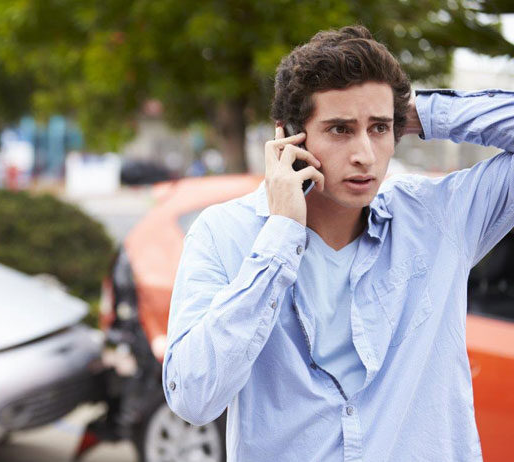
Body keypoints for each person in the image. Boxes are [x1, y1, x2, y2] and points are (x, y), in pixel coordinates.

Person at [163, 25, 513, 461]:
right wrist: (280, 238)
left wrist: (414, 111)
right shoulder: (225, 234)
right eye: (341, 129)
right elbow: (192, 398)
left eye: (380, 129)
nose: (365, 153)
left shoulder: (438, 219)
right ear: (289, 137)